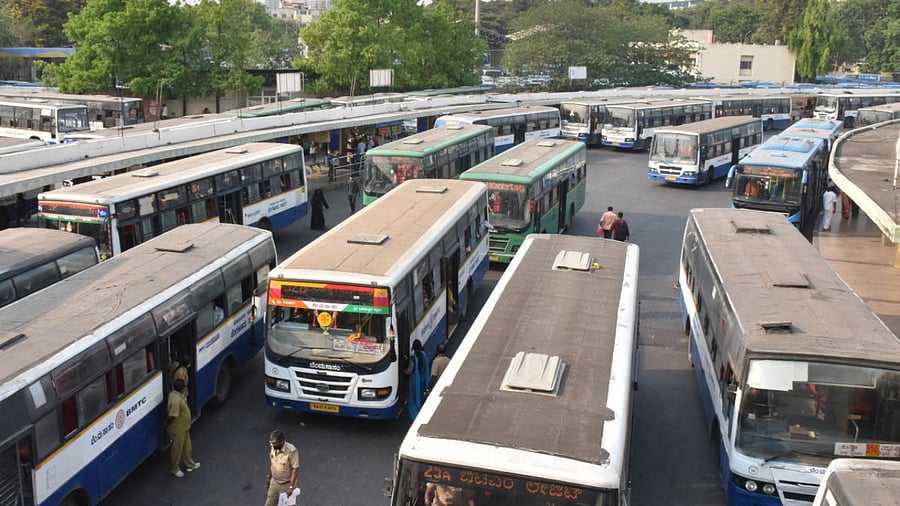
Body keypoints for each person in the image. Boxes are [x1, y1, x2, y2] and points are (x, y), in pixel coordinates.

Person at [167, 379, 199, 478]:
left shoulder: (176, 395)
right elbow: (173, 415)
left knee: (187, 447)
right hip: (178, 428)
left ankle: (189, 464)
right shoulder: (176, 400)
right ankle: (174, 468)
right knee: (177, 449)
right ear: (182, 389)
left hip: (184, 426)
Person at [266, 430, 299, 506]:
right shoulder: (274, 447)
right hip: (274, 482)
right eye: (271, 443)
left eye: (274, 443)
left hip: (286, 485)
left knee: (289, 505)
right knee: (269, 503)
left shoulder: (291, 451)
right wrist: (269, 476)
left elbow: (295, 469)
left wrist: (291, 487)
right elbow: (272, 463)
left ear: (281, 442)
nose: (272, 445)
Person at [404, 340, 430, 420]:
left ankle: (415, 418)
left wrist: (402, 370)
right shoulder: (424, 355)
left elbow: (409, 371)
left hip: (414, 383)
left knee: (412, 400)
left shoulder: (413, 358)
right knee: (421, 398)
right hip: (423, 381)